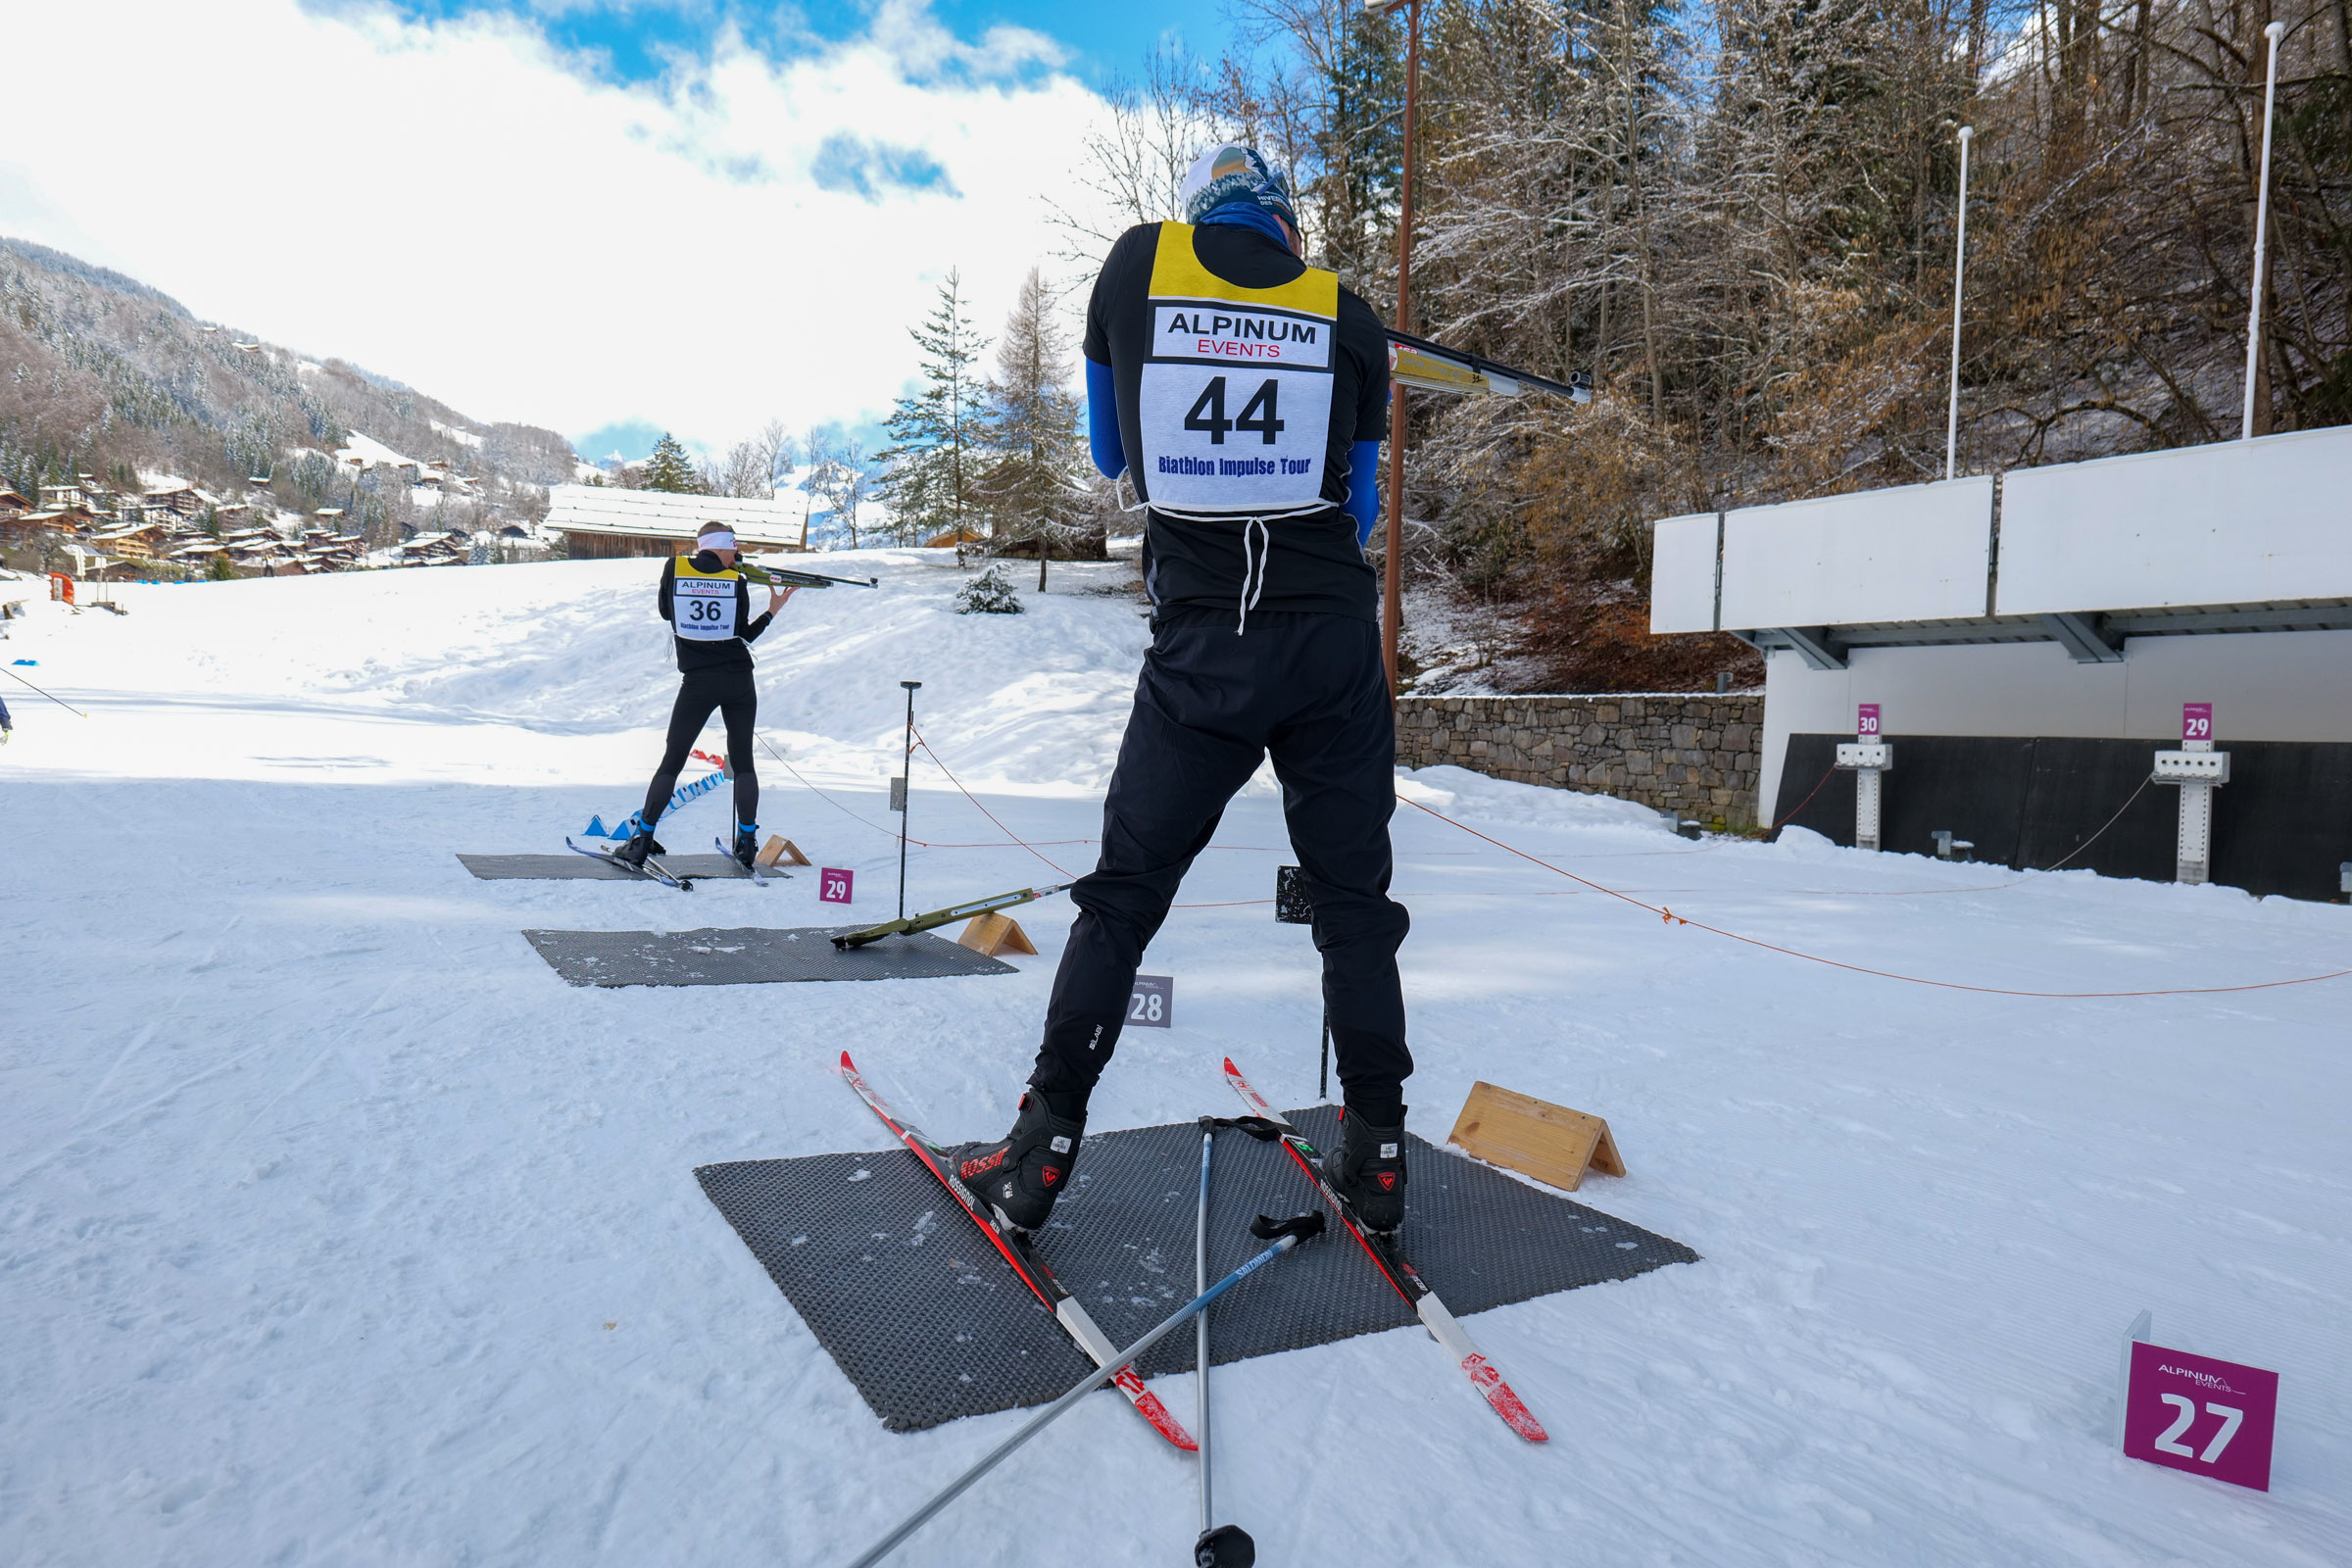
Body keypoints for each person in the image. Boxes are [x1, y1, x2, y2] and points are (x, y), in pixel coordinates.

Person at [950, 144, 1413, 1236]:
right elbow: (1358, 512)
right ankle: (1381, 1158)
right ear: (1286, 224)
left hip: (1207, 645)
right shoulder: (1347, 314)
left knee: (1123, 898)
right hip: (1332, 642)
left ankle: (1040, 1151)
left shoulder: (1137, 263)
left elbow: (1113, 453)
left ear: (1201, 209)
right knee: (1354, 907)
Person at [614, 521, 794, 868]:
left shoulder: (675, 568)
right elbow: (744, 635)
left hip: (698, 682)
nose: (737, 553)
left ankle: (641, 841)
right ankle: (746, 842)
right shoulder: (736, 580)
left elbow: (666, 612)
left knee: (673, 759)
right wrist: (772, 610)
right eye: (735, 547)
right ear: (722, 545)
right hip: (739, 679)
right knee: (743, 760)